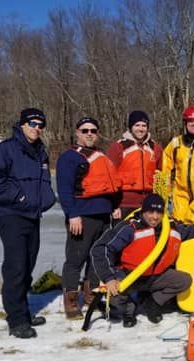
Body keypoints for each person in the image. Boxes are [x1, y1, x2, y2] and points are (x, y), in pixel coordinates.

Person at [0, 108, 56, 338]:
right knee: (16, 267)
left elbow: (43, 181)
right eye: (33, 123)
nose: (37, 128)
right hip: (12, 215)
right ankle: (16, 321)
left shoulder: (40, 152)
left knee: (28, 266)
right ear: (22, 124)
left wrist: (46, 199)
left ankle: (23, 312)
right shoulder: (5, 150)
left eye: (40, 125)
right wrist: (20, 197)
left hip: (33, 215)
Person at [91, 194, 194, 327]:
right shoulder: (129, 228)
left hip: (156, 277)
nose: (155, 217)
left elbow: (193, 231)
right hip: (129, 276)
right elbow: (101, 249)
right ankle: (129, 309)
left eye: (159, 212)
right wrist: (109, 278)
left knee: (184, 280)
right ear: (143, 211)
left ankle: (152, 302)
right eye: (150, 212)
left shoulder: (171, 227)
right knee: (114, 298)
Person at [56, 117, 121, 319]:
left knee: (96, 257)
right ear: (77, 133)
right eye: (85, 130)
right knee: (76, 258)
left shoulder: (101, 155)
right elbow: (64, 189)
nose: (90, 133)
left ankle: (92, 295)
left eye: (93, 130)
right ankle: (71, 301)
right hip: (82, 216)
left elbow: (110, 185)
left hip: (103, 215)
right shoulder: (70, 157)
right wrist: (72, 214)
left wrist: (114, 206)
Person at [106, 110, 162, 219]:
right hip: (124, 203)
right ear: (131, 127)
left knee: (147, 235)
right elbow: (108, 177)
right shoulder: (119, 147)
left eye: (144, 126)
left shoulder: (155, 148)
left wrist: (160, 201)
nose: (141, 129)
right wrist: (113, 205)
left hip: (149, 203)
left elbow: (161, 175)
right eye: (137, 125)